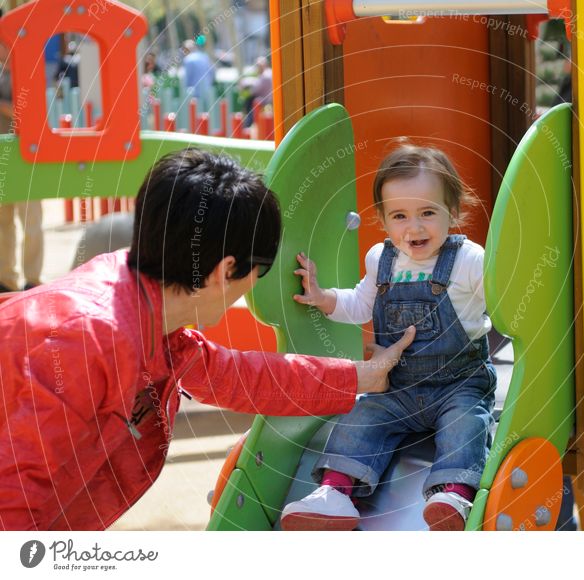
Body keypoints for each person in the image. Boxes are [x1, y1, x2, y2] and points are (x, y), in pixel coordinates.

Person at [0, 148, 415, 530]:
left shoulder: (144, 307)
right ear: (225, 270)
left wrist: (365, 376)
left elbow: (241, 376)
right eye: (261, 271)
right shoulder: (82, 342)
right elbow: (16, 502)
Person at [280, 144, 495, 531]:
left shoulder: (470, 260)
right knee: (360, 418)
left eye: (428, 213)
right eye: (399, 216)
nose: (414, 228)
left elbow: (504, 302)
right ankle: (336, 493)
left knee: (467, 423)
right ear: (383, 219)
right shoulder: (382, 259)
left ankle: (453, 495)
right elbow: (361, 304)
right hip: (397, 387)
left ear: (453, 211)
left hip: (459, 383)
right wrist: (323, 297)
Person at [0, 41, 43, 293]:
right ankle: (6, 278)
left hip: (25, 153)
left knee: (31, 219)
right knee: (3, 219)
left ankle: (32, 278)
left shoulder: (23, 71)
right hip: (4, 153)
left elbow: (26, 111)